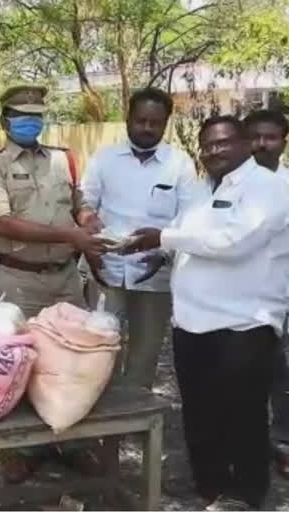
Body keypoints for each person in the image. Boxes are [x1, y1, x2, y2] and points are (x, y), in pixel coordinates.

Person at [126, 115, 289, 510]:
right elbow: (186, 231)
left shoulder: (270, 188)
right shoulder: (203, 189)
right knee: (200, 410)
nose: (214, 151)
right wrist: (161, 254)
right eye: (207, 145)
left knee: (243, 414)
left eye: (223, 142)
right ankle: (209, 485)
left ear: (245, 143)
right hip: (192, 323)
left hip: (243, 323)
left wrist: (162, 236)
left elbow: (234, 240)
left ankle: (246, 493)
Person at [0, 84, 108, 483]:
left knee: (71, 363)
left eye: (36, 114)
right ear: (5, 120)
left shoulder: (63, 160)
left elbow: (79, 203)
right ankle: (17, 448)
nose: (30, 121)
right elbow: (2, 222)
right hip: (18, 278)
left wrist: (87, 222)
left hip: (65, 278)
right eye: (21, 115)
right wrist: (71, 236)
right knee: (16, 363)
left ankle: (73, 442)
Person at [79, 88, 202, 389]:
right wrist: (88, 227)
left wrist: (164, 252)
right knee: (101, 347)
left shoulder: (180, 164)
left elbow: (188, 218)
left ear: (165, 123)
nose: (147, 128)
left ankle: (134, 429)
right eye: (140, 120)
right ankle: (103, 427)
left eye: (155, 122)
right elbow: (84, 201)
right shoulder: (104, 159)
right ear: (128, 119)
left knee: (145, 354)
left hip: (155, 273)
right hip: (105, 270)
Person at [244, 109, 289, 477]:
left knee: (284, 373)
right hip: (243, 298)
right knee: (247, 373)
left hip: (283, 293)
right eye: (255, 136)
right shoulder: (231, 185)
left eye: (270, 136)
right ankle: (250, 443)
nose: (262, 144)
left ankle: (283, 443)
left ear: (283, 142)